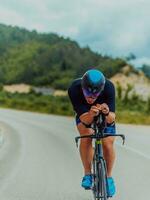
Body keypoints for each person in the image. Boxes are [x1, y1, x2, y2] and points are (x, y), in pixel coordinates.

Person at [68, 68, 116, 197]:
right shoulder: (74, 88)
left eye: (95, 95)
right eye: (87, 92)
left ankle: (108, 178)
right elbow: (84, 120)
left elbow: (111, 119)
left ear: (101, 90)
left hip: (104, 113)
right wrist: (90, 113)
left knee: (108, 143)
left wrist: (106, 112)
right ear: (82, 87)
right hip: (85, 113)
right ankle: (88, 173)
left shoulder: (109, 87)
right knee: (86, 134)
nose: (91, 97)